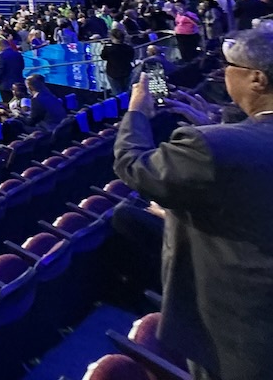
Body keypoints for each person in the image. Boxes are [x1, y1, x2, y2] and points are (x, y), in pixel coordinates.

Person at [113, 29, 273, 380]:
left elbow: (133, 165)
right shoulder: (225, 140)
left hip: (239, 334)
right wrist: (218, 127)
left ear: (257, 79)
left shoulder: (214, 147)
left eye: (228, 65)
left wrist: (136, 111)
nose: (222, 71)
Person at [102, 28, 136, 95]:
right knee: (126, 90)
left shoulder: (108, 49)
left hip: (113, 73)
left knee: (117, 93)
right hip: (126, 71)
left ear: (112, 37)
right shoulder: (129, 48)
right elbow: (131, 58)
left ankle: (120, 104)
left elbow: (103, 57)